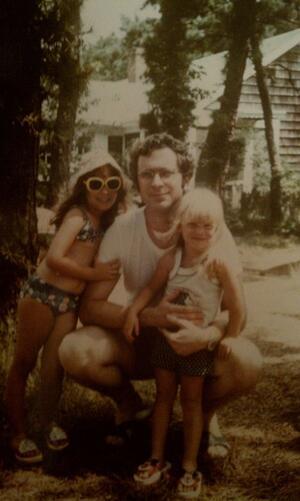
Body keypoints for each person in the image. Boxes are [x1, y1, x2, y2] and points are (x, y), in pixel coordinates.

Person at [58, 133, 262, 459]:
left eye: (165, 173)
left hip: (198, 344)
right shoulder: (124, 229)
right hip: (143, 342)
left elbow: (238, 311)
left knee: (248, 361)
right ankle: (130, 407)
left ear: (185, 177)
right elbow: (91, 307)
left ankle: (207, 418)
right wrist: (150, 316)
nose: (156, 182)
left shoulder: (210, 228)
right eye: (146, 174)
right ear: (137, 180)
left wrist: (207, 334)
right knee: (74, 350)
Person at [5, 149, 127, 464]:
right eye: (96, 184)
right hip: (43, 295)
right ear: (82, 186)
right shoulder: (77, 216)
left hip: (69, 302)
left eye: (112, 183)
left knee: (53, 368)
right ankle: (18, 433)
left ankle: (46, 423)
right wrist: (94, 274)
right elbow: (56, 259)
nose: (105, 190)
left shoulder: (106, 223)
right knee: (24, 362)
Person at [123, 187, 245, 496]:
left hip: (196, 346)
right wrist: (135, 311)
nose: (200, 232)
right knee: (163, 398)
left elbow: (237, 308)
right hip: (166, 339)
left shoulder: (218, 265)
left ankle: (190, 466)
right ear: (181, 225)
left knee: (191, 402)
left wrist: (227, 335)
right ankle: (156, 459)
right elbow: (150, 289)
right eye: (193, 224)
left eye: (208, 226)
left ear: (217, 229)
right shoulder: (171, 259)